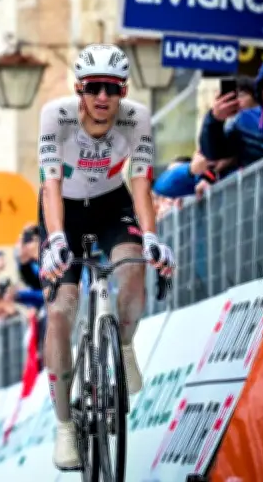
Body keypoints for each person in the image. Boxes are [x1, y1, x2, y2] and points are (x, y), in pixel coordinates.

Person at [37, 43, 175, 471]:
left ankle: (125, 345)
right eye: (93, 88)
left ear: (123, 91)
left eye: (111, 89)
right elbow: (50, 184)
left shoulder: (137, 118)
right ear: (79, 90)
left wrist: (151, 236)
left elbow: (140, 180)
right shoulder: (55, 117)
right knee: (60, 311)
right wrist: (57, 239)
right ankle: (63, 427)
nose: (102, 97)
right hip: (63, 208)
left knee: (133, 265)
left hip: (112, 202)